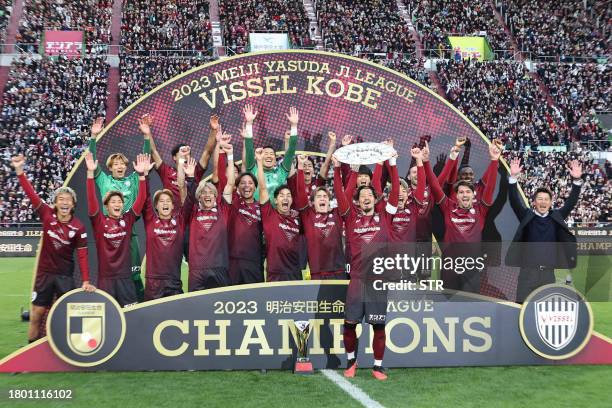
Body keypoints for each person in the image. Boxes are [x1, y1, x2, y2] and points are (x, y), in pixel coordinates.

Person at [11, 155, 95, 343]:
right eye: (61, 199)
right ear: (56, 203)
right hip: (44, 275)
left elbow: (83, 255)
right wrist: (19, 171)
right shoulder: (47, 214)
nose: (64, 202)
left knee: (69, 315)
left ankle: (73, 352)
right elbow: (31, 194)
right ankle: (29, 355)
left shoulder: (78, 227)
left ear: (73, 205)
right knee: (36, 314)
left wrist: (86, 280)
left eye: (68, 200)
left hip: (65, 275)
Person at [333, 148, 399, 381]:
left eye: (369, 194)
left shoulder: (385, 215)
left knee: (378, 327)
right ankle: (352, 362)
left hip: (378, 283)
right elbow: (341, 193)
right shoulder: (351, 217)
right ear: (358, 201)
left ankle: (378, 366)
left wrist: (391, 164)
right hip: (357, 280)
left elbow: (395, 193)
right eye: (362, 196)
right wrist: (338, 169)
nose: (366, 197)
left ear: (374, 197)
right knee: (349, 325)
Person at [424, 141, 501, 293]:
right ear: (456, 195)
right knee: (447, 304)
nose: (465, 194)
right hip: (449, 266)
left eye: (468, 192)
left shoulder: (481, 209)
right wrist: (426, 162)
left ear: (473, 195)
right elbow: (434, 186)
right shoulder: (448, 207)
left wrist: (494, 160)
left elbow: (490, 187)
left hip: (472, 267)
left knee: (470, 304)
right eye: (461, 192)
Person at [88, 116, 151, 301]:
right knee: (110, 277)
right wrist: (93, 137)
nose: (120, 166)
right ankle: (111, 309)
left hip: (129, 230)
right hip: (108, 232)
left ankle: (140, 307)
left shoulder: (133, 179)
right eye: (116, 164)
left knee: (134, 275)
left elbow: (144, 162)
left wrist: (147, 138)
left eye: (123, 164)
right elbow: (92, 162)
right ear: (110, 167)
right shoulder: (104, 180)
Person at [506, 158, 582, 303]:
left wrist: (577, 180)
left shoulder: (556, 217)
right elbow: (514, 200)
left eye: (546, 199)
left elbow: (571, 202)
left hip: (548, 274)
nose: (543, 202)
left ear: (550, 202)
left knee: (543, 312)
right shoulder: (526, 216)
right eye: (539, 199)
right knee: (520, 309)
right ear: (534, 202)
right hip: (527, 274)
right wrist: (513, 178)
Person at [142, 157, 197, 300]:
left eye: (168, 201)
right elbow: (145, 198)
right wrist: (145, 175)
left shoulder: (180, 221)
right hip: (154, 283)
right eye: (161, 201)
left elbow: (190, 200)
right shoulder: (150, 220)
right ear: (156, 206)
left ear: (173, 206)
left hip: (173, 282)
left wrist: (191, 178)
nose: (165, 204)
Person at [184, 141, 236, 291]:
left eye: (211, 193)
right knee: (196, 307)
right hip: (197, 270)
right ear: (199, 197)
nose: (207, 195)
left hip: (219, 267)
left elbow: (230, 183)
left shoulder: (223, 209)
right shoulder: (192, 212)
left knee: (222, 307)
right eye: (203, 193)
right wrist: (190, 177)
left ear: (215, 196)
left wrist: (230, 156)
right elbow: (187, 193)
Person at [215, 145, 264, 285]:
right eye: (242, 183)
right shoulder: (233, 202)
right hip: (232, 261)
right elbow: (227, 181)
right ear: (237, 186)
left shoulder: (261, 207)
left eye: (250, 183)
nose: (246, 186)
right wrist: (229, 155)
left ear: (255, 187)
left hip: (255, 262)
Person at [295, 155, 346, 280]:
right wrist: (300, 166)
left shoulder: (337, 214)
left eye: (325, 196)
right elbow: (300, 192)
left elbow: (341, 193)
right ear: (312, 202)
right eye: (319, 196)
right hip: (317, 273)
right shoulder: (308, 216)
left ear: (329, 201)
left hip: (338, 272)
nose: (322, 198)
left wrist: (337, 168)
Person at [256, 147, 303, 281]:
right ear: (275, 200)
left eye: (288, 195)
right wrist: (259, 162)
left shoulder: (296, 218)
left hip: (295, 272)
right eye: (281, 195)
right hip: (276, 274)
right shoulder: (269, 215)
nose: (285, 198)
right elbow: (263, 187)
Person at [244, 105, 299, 204]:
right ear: (260, 156)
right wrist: (249, 124)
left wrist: (294, 126)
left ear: (275, 159)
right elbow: (249, 148)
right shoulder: (253, 170)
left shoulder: (281, 172)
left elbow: (291, 151)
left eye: (271, 154)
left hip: (276, 217)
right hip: (257, 216)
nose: (269, 156)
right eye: (266, 153)